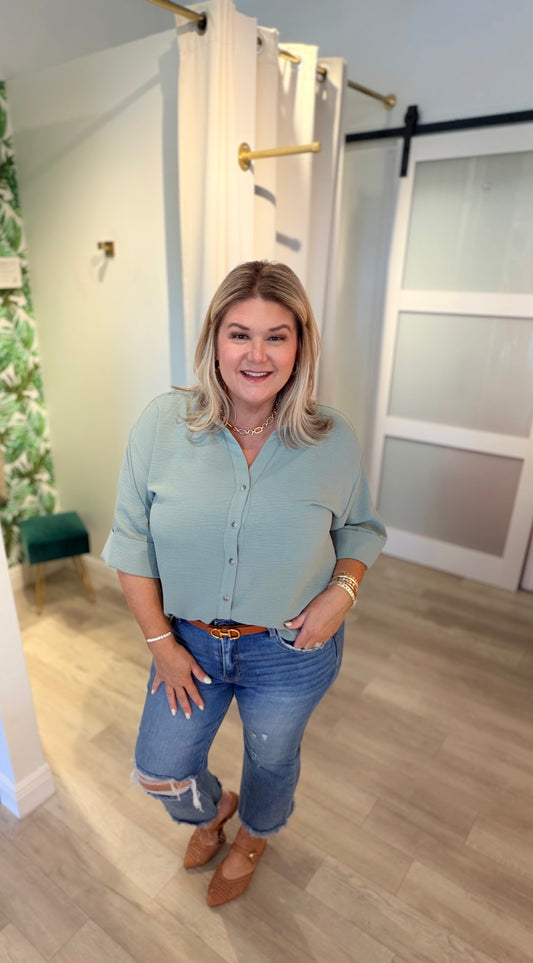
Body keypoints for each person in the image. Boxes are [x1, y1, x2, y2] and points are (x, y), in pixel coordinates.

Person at [102, 260, 386, 907]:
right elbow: (131, 541)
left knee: (272, 757)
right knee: (160, 768)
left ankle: (254, 836)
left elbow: (360, 530)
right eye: (240, 334)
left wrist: (341, 594)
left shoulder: (331, 438)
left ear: (300, 346)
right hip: (188, 644)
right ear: (214, 339)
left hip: (288, 649)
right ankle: (213, 810)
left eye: (276, 336)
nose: (257, 355)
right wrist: (160, 643)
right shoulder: (162, 424)